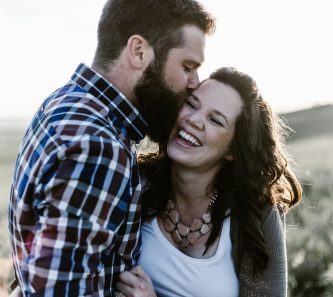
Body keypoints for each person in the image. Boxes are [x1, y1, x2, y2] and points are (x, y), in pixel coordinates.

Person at [8, 1, 215, 296]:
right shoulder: (99, 146)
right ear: (139, 51)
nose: (195, 83)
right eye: (188, 67)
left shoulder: (64, 102)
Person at [115, 67, 302, 297]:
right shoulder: (135, 183)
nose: (194, 120)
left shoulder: (256, 215)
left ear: (232, 150)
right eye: (192, 104)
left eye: (215, 120)